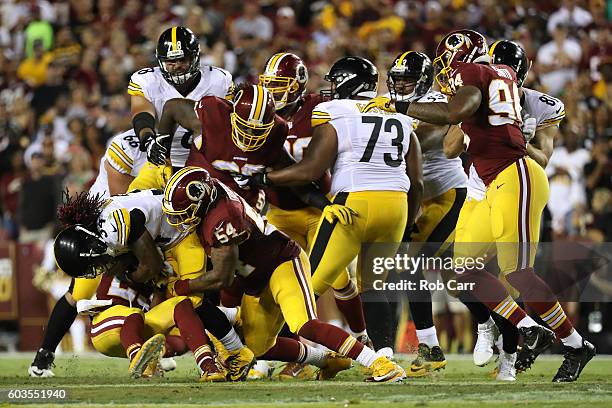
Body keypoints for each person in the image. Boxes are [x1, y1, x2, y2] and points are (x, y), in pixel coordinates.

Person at [376, 29, 595, 383]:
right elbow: (454, 138)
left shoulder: (476, 73)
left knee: (518, 273)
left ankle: (574, 343)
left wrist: (399, 105)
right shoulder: (494, 75)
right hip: (487, 180)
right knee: (464, 271)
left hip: (515, 174)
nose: (447, 67)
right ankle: (526, 326)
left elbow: (457, 109)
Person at [247, 56, 423, 363]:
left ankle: (284, 354)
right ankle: (384, 356)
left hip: (353, 205)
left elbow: (310, 170)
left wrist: (266, 177)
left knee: (306, 285)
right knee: (373, 287)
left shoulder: (335, 112)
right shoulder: (398, 115)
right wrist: (408, 224)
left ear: (345, 84)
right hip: (396, 207)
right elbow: (417, 181)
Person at [162, 167, 407, 382]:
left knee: (305, 325)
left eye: (184, 213)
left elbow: (223, 278)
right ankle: (329, 360)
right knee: (257, 346)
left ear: (202, 201)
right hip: (257, 279)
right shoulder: (212, 192)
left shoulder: (223, 219)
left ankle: (380, 364)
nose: (181, 221)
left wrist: (186, 286)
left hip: (282, 263)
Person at [260, 52, 368, 379]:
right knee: (281, 282)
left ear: (297, 85)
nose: (273, 93)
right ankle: (295, 352)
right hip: (280, 211)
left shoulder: (323, 107)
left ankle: (361, 337)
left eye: (280, 85)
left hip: (320, 206)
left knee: (334, 278)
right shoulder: (259, 113)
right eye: (270, 85)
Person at [385, 50, 467, 376]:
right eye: (397, 81)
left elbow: (429, 135)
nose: (401, 86)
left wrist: (389, 127)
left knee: (409, 264)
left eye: (407, 80)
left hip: (446, 195)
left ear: (421, 81)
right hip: (421, 200)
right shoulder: (392, 104)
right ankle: (510, 329)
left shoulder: (437, 100)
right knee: (460, 281)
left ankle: (430, 348)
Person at [128, 26, 233, 191]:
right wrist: (148, 139)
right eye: (170, 62)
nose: (177, 66)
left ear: (195, 57)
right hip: (163, 160)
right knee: (131, 202)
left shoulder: (219, 80)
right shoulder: (147, 80)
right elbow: (141, 112)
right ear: (160, 61)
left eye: (183, 60)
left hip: (208, 163)